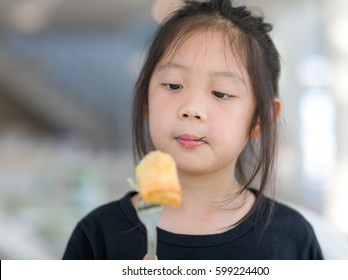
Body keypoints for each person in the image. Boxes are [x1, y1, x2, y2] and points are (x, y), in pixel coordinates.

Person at [63, 0, 323, 260]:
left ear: (260, 119)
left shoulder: (292, 239)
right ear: (146, 99)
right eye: (173, 86)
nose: (191, 108)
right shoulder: (98, 235)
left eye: (221, 93)